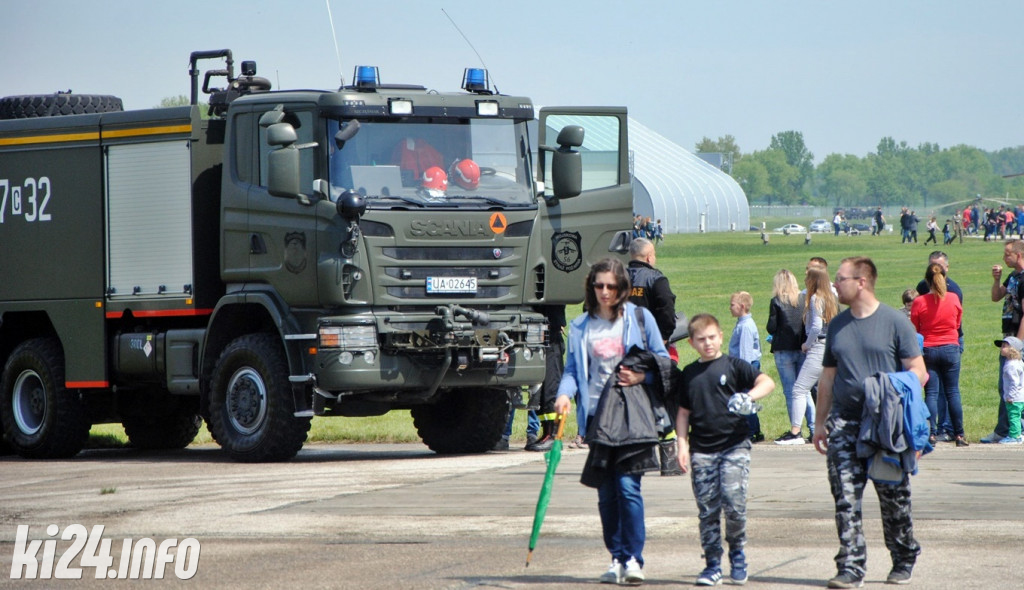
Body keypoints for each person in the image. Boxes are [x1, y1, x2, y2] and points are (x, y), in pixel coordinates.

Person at [553, 258, 670, 586]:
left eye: (611, 286)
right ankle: (616, 557)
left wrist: (643, 376)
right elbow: (573, 371)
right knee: (606, 493)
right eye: (599, 286)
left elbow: (663, 362)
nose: (605, 292)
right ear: (591, 287)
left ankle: (633, 558)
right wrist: (564, 395)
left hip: (633, 414)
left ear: (621, 288)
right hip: (596, 416)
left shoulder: (639, 318)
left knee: (628, 487)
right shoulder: (580, 326)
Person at [812, 257, 927, 589]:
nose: (835, 285)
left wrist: (891, 388)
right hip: (845, 424)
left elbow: (920, 372)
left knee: (894, 500)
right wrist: (820, 423)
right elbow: (828, 379)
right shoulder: (837, 325)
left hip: (885, 426)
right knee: (846, 498)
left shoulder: (895, 322)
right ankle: (850, 566)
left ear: (861, 281)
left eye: (841, 279)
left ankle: (903, 557)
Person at [675, 313, 775, 586]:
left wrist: (748, 396)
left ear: (720, 336)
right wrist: (682, 445)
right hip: (702, 450)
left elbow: (767, 382)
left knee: (733, 504)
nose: (707, 343)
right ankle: (712, 564)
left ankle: (738, 552)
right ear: (692, 343)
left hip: (734, 446)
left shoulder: (735, 366)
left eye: (711, 337)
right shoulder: (689, 374)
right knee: (707, 509)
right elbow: (683, 413)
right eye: (701, 340)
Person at [910, 263, 968, 447]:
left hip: (929, 348)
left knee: (932, 393)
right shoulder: (953, 298)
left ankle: (931, 434)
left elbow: (915, 327)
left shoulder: (919, 301)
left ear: (927, 280)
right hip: (950, 346)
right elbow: (957, 323)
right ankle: (959, 434)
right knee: (953, 391)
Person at [786, 268, 838, 444]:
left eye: (807, 278)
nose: (805, 281)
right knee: (826, 389)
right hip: (830, 346)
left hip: (818, 347)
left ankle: (795, 432)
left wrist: (807, 344)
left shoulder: (816, 298)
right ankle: (830, 428)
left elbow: (816, 326)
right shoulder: (832, 297)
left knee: (799, 389)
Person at [983, 240, 1024, 443]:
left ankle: (1015, 430)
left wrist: (1017, 345)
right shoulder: (1014, 276)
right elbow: (996, 296)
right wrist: (997, 280)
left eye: (1007, 254)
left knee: (1013, 387)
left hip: (1016, 341)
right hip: (1010, 337)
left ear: (1019, 255)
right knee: (1005, 386)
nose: (1004, 258)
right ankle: (1003, 430)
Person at [767, 270, 810, 445]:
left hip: (783, 349)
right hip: (801, 347)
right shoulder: (803, 300)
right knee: (803, 390)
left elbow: (771, 327)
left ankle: (795, 429)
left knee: (790, 391)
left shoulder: (776, 301)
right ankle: (813, 427)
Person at [525, 305, 567, 452]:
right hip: (538, 333)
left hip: (551, 335)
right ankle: (547, 433)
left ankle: (554, 436)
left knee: (551, 387)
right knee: (542, 391)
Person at [728, 292, 765, 443]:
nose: (729, 308)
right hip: (747, 365)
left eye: (732, 305)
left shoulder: (746, 327)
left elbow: (745, 354)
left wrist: (740, 373)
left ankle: (749, 432)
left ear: (742, 306)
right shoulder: (742, 323)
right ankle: (755, 431)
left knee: (745, 400)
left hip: (747, 366)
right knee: (747, 400)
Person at [996, 337, 1024, 445]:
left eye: (1004, 346)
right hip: (1020, 395)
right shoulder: (1018, 362)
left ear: (1012, 349)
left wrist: (1010, 396)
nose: (1001, 349)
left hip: (1014, 397)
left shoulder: (1011, 366)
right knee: (1018, 415)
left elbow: (1014, 382)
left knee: (1013, 416)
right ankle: (1018, 434)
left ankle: (1015, 436)